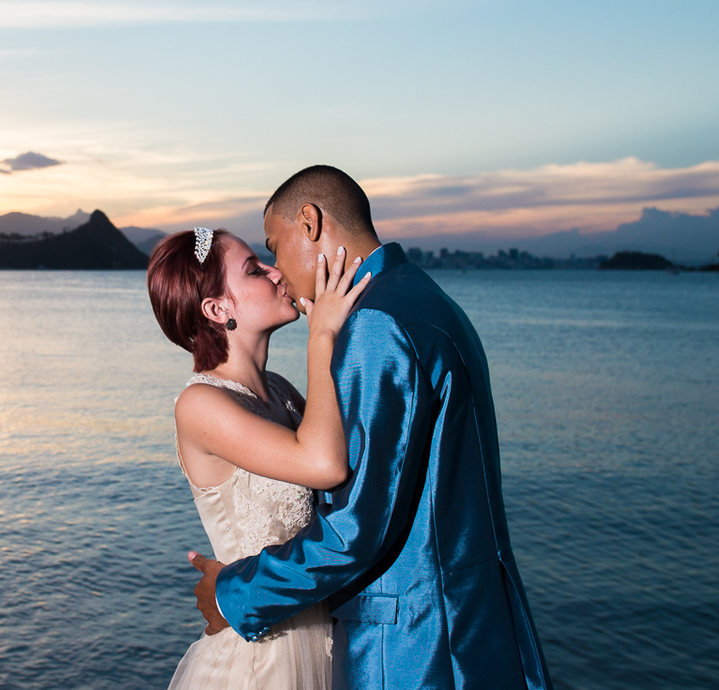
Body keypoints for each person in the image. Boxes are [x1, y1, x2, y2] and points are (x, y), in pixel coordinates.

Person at [187, 165, 553, 690]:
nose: (278, 269)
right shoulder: (420, 297)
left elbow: (355, 528)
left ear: (310, 224)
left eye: (275, 245)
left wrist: (234, 593)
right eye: (257, 264)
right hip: (470, 628)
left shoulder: (375, 326)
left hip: (414, 647)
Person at [146, 225, 372, 690]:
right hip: (265, 654)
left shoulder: (283, 393)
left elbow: (347, 477)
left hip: (321, 631)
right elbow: (324, 465)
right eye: (253, 269)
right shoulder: (201, 405)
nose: (275, 272)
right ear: (217, 308)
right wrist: (322, 334)